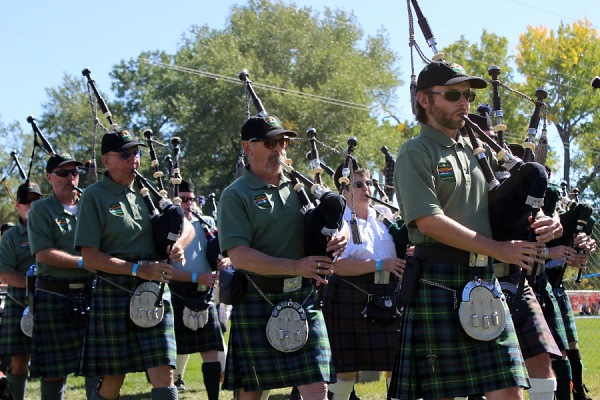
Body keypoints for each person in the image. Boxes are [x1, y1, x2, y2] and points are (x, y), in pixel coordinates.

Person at [390, 61, 563, 400]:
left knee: (509, 390)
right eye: (453, 94)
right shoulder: (416, 152)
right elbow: (428, 220)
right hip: (437, 279)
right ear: (424, 100)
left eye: (467, 95)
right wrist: (495, 249)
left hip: (483, 279)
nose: (464, 103)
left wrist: (544, 217)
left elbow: (505, 198)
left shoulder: (472, 152)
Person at [217, 113, 347, 400]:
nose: (279, 148)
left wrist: (342, 235)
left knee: (318, 389)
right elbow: (239, 256)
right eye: (270, 141)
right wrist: (296, 266)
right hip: (258, 297)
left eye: (283, 141)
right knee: (250, 393)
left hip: (303, 298)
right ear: (248, 147)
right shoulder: (235, 195)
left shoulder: (301, 188)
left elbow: (332, 218)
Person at [73, 129, 193, 400]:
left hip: (154, 289)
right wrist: (137, 269)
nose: (134, 160)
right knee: (114, 376)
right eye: (125, 154)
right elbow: (90, 257)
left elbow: (186, 226)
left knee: (164, 370)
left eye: (136, 153)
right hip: (116, 288)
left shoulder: (146, 190)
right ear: (107, 160)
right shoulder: (94, 196)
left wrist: (179, 245)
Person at [322, 167, 405, 400]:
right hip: (350, 296)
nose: (367, 188)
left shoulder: (384, 218)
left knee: (395, 364)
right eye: (359, 184)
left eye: (369, 183)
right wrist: (381, 264)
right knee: (346, 369)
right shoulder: (340, 222)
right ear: (345, 189)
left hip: (388, 296)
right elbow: (337, 267)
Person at [27, 153, 101, 400]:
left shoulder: (91, 204)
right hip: (55, 294)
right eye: (63, 173)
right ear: (49, 177)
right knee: (53, 371)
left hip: (92, 292)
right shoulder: (40, 209)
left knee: (98, 365)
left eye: (74, 172)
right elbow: (43, 254)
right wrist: (86, 262)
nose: (71, 177)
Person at [169, 178, 229, 399]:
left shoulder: (205, 223)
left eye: (191, 199)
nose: (189, 204)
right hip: (178, 292)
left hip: (203, 294)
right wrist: (196, 276)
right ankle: (172, 387)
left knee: (211, 352)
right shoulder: (168, 226)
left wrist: (226, 262)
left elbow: (222, 250)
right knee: (169, 356)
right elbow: (165, 269)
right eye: (184, 200)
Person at [0, 182, 41, 400]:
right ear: (18, 205)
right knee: (19, 360)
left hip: (55, 299)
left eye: (37, 200)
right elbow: (5, 274)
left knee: (55, 360)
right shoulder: (10, 237)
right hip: (20, 301)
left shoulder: (54, 229)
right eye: (28, 201)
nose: (32, 205)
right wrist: (34, 283)